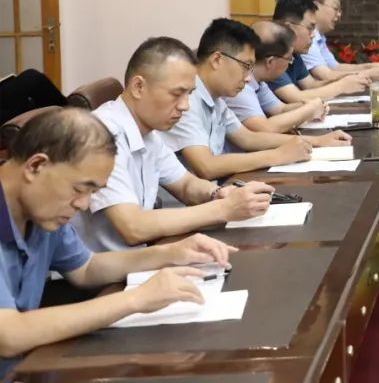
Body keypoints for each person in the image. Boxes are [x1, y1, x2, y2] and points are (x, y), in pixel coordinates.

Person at [0, 108, 235, 370]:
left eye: (93, 192)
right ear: (36, 166)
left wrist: (170, 253)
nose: (83, 204)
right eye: (79, 189)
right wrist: (135, 299)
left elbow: (86, 268)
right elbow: (9, 335)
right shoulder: (45, 207)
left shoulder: (41, 210)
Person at [72, 36, 276, 251]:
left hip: (140, 257)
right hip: (105, 268)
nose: (185, 106)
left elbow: (186, 185)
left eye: (189, 94)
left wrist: (219, 194)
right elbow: (133, 227)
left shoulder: (149, 131)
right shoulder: (102, 135)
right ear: (139, 87)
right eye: (177, 94)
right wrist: (224, 209)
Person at [161, 19, 349, 182]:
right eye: (246, 66)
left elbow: (249, 138)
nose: (248, 78)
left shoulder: (216, 98)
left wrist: (318, 141)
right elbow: (206, 166)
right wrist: (277, 156)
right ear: (217, 60)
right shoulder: (186, 99)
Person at [226, 21, 328, 134]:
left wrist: (310, 105)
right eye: (289, 58)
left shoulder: (259, 80)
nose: (290, 63)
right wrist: (309, 109)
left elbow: (280, 109)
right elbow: (265, 128)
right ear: (270, 61)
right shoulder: (241, 84)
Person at [268, 0, 371, 104]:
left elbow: (311, 85)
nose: (313, 35)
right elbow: (296, 97)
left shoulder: (294, 53)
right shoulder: (271, 54)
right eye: (310, 28)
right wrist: (342, 86)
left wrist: (345, 78)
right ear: (289, 28)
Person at [301, 0, 379, 83]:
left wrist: (370, 66)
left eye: (340, 10)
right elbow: (325, 76)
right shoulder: (306, 36)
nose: (339, 15)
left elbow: (335, 67)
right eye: (335, 8)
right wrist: (369, 74)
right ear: (315, 6)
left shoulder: (319, 36)